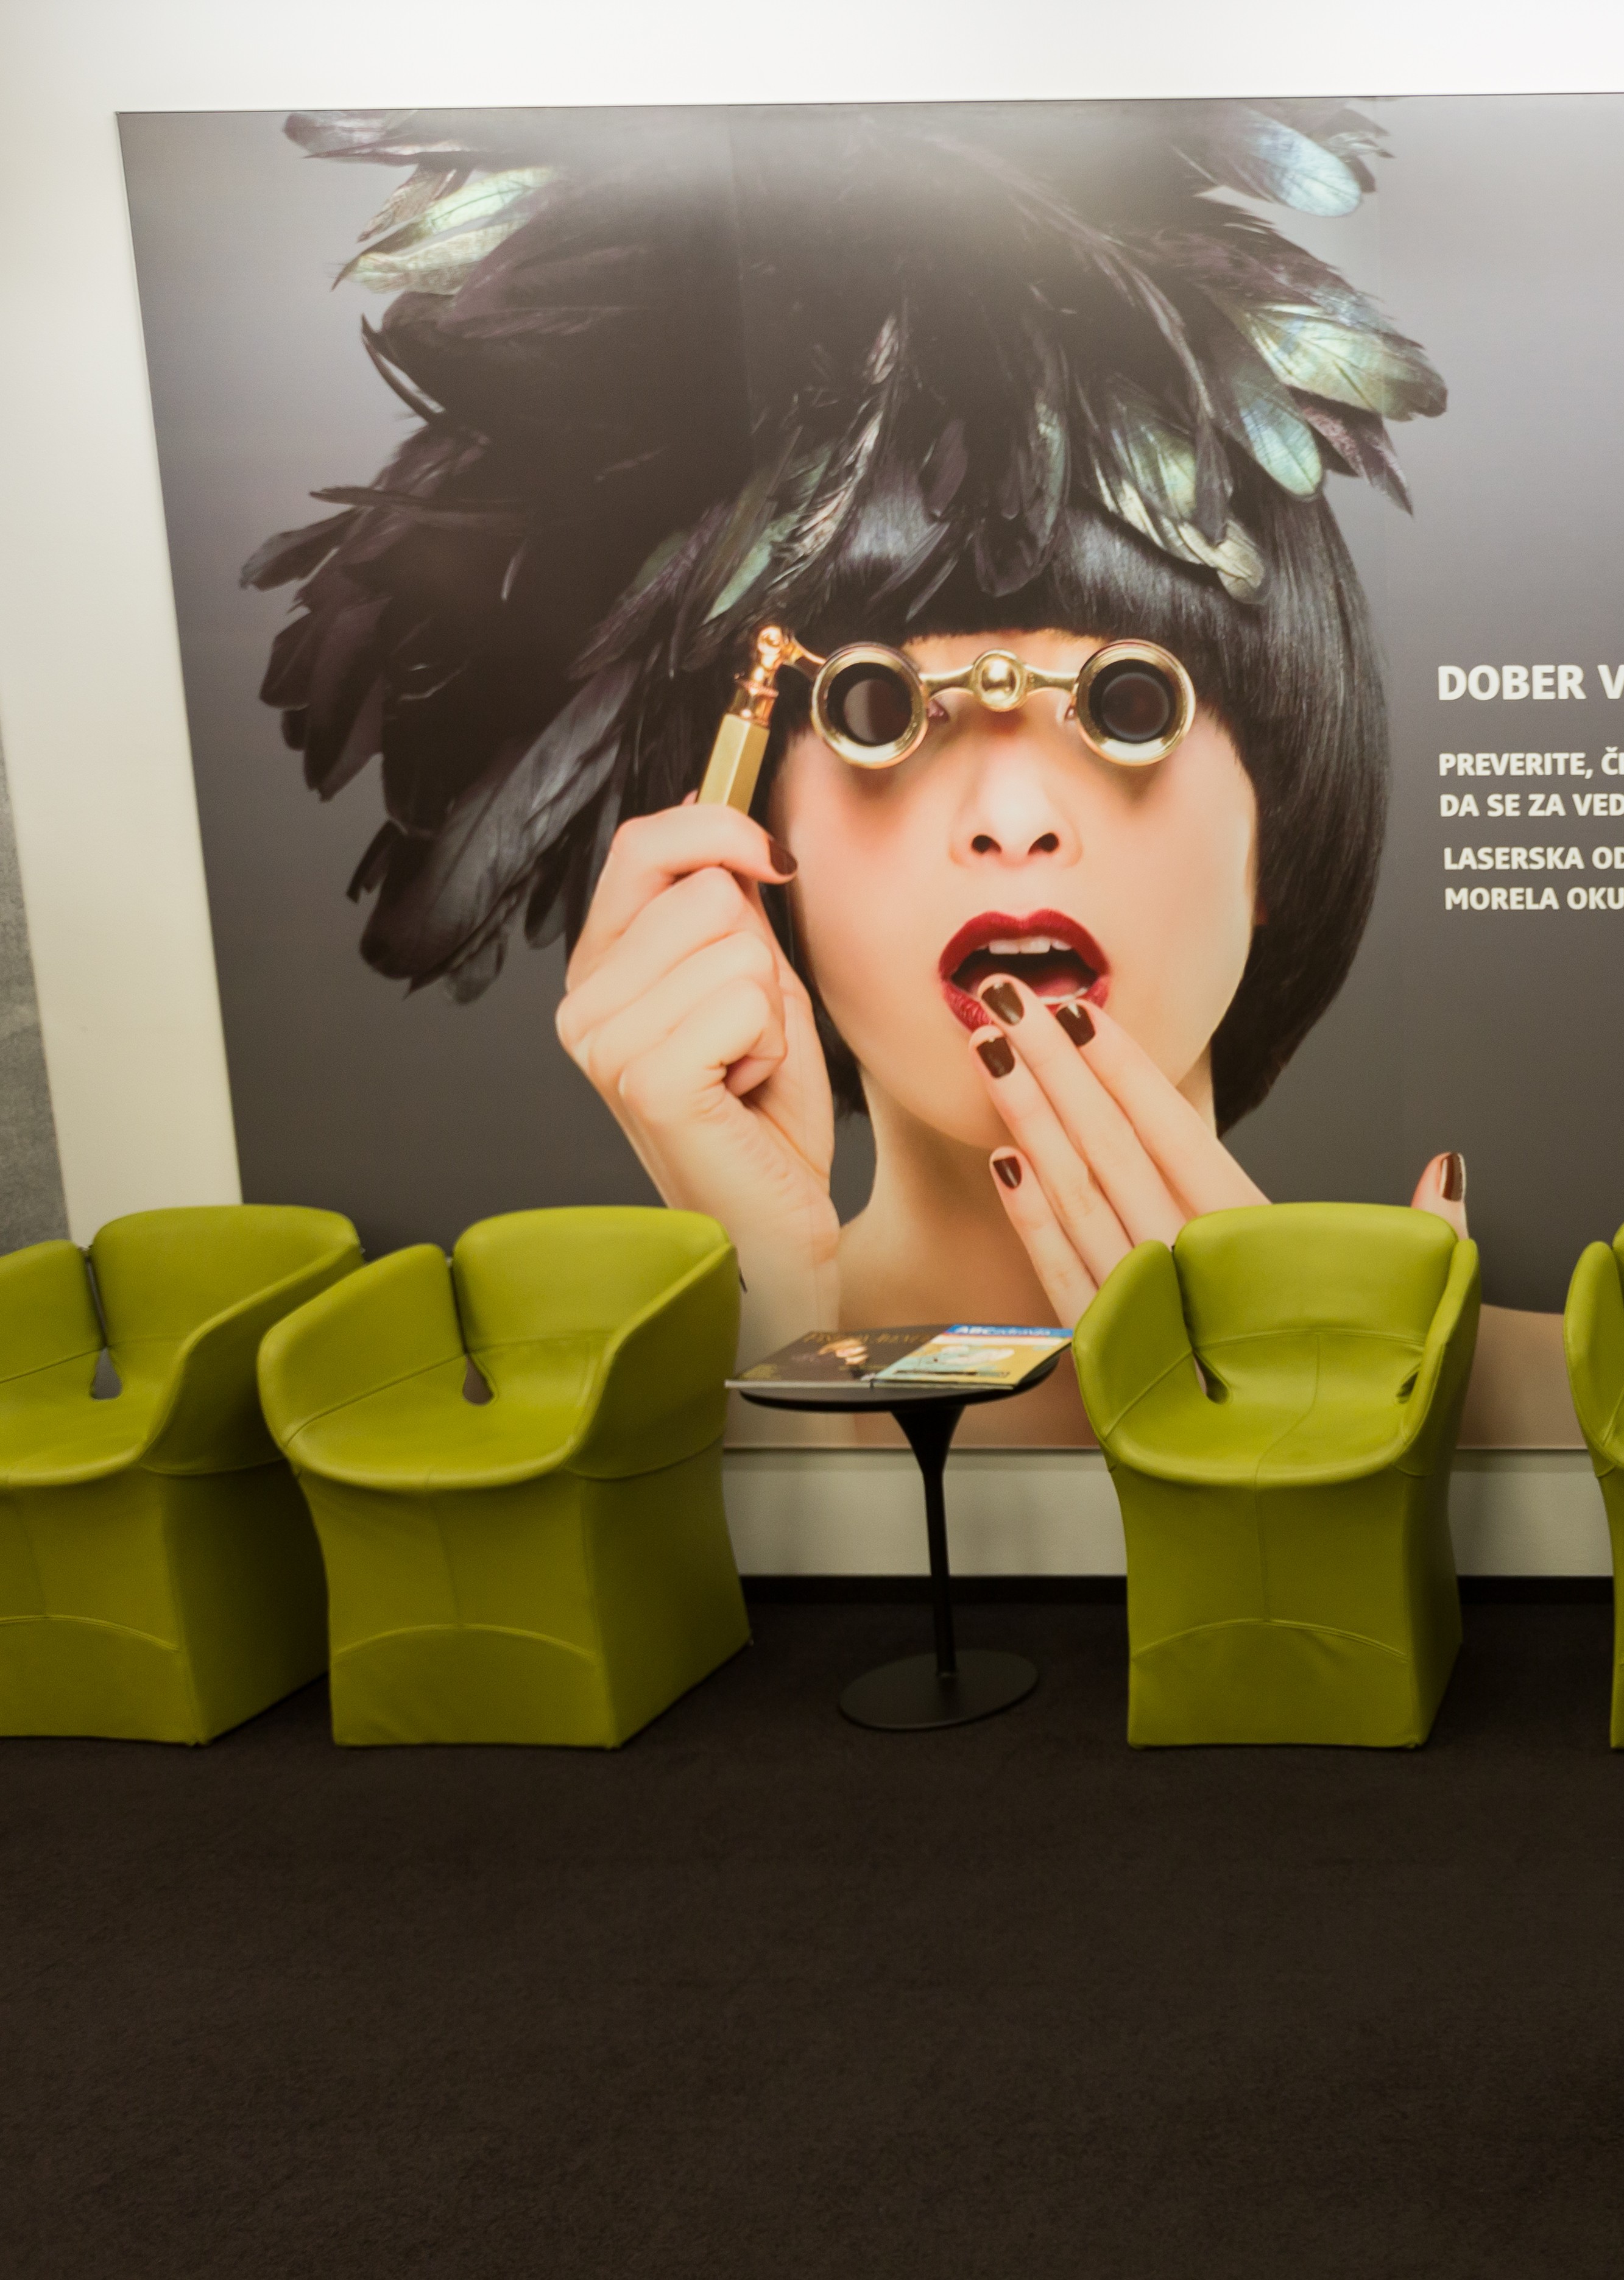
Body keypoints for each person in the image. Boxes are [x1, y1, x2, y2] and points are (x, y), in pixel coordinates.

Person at [251, 104, 1461, 1439]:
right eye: (880, 710)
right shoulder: (615, 1435)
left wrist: (1331, 1447)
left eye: (1126, 705)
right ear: (753, 844)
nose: (1011, 822)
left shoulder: (1500, 1403)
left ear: (1279, 828)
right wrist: (779, 1316)